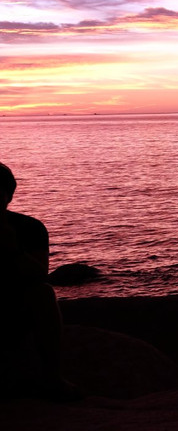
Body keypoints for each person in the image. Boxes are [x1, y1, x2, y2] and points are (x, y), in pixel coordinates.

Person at [0, 162, 80, 400]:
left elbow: (39, 275)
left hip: (13, 305)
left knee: (43, 293)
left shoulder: (29, 227)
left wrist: (12, 247)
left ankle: (52, 377)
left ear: (9, 195)